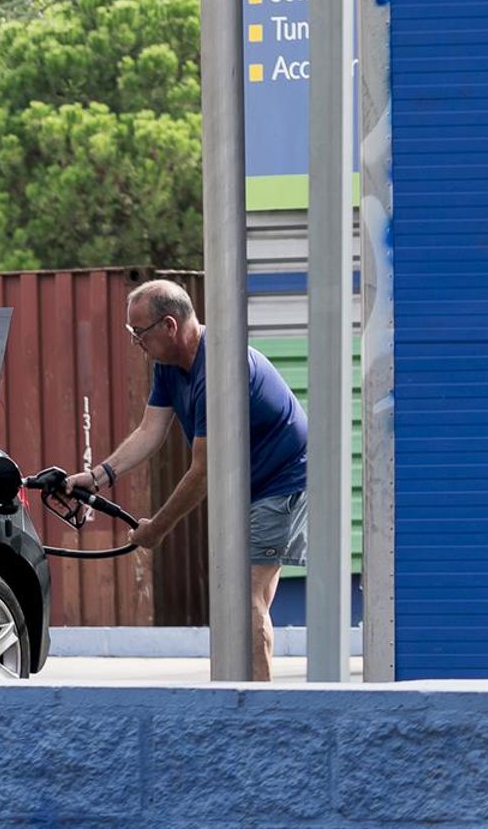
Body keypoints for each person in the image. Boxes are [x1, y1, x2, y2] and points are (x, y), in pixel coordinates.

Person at [68, 279, 309, 681]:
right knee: (246, 596)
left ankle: (263, 718)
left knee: (246, 597)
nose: (135, 343)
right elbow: (150, 431)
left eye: (138, 333)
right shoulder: (169, 366)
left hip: (280, 481)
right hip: (244, 484)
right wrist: (98, 476)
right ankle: (241, 697)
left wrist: (157, 530)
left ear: (169, 326)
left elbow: (203, 472)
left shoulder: (219, 370)